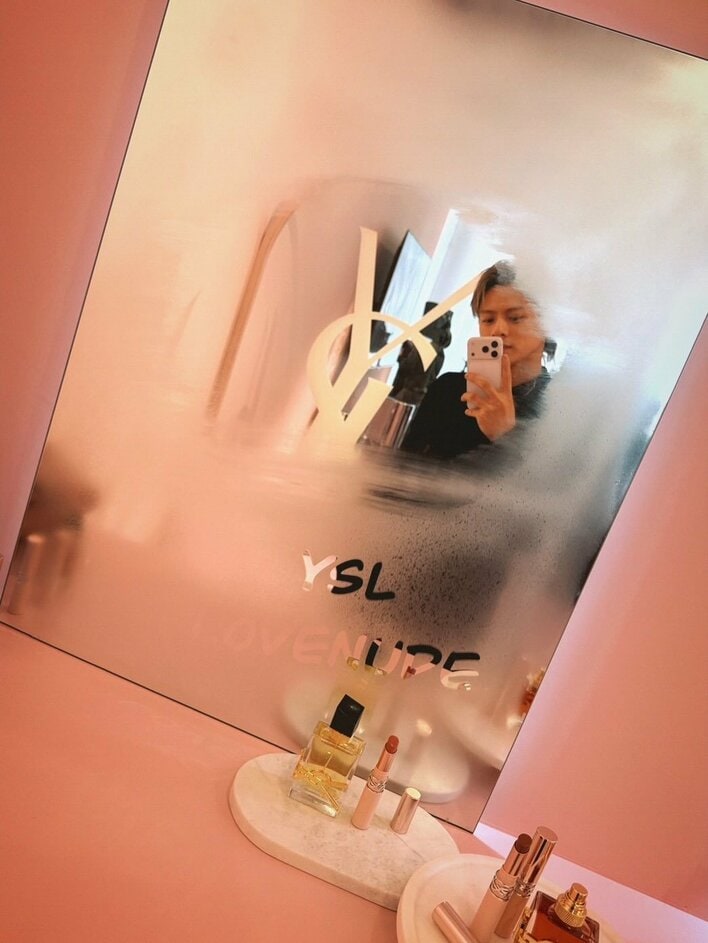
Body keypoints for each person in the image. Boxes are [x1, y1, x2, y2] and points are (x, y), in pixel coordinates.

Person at [400, 261, 552, 459]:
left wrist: (505, 436)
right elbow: (403, 467)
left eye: (515, 318)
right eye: (488, 320)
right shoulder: (447, 390)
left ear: (547, 324)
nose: (498, 330)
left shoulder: (559, 406)